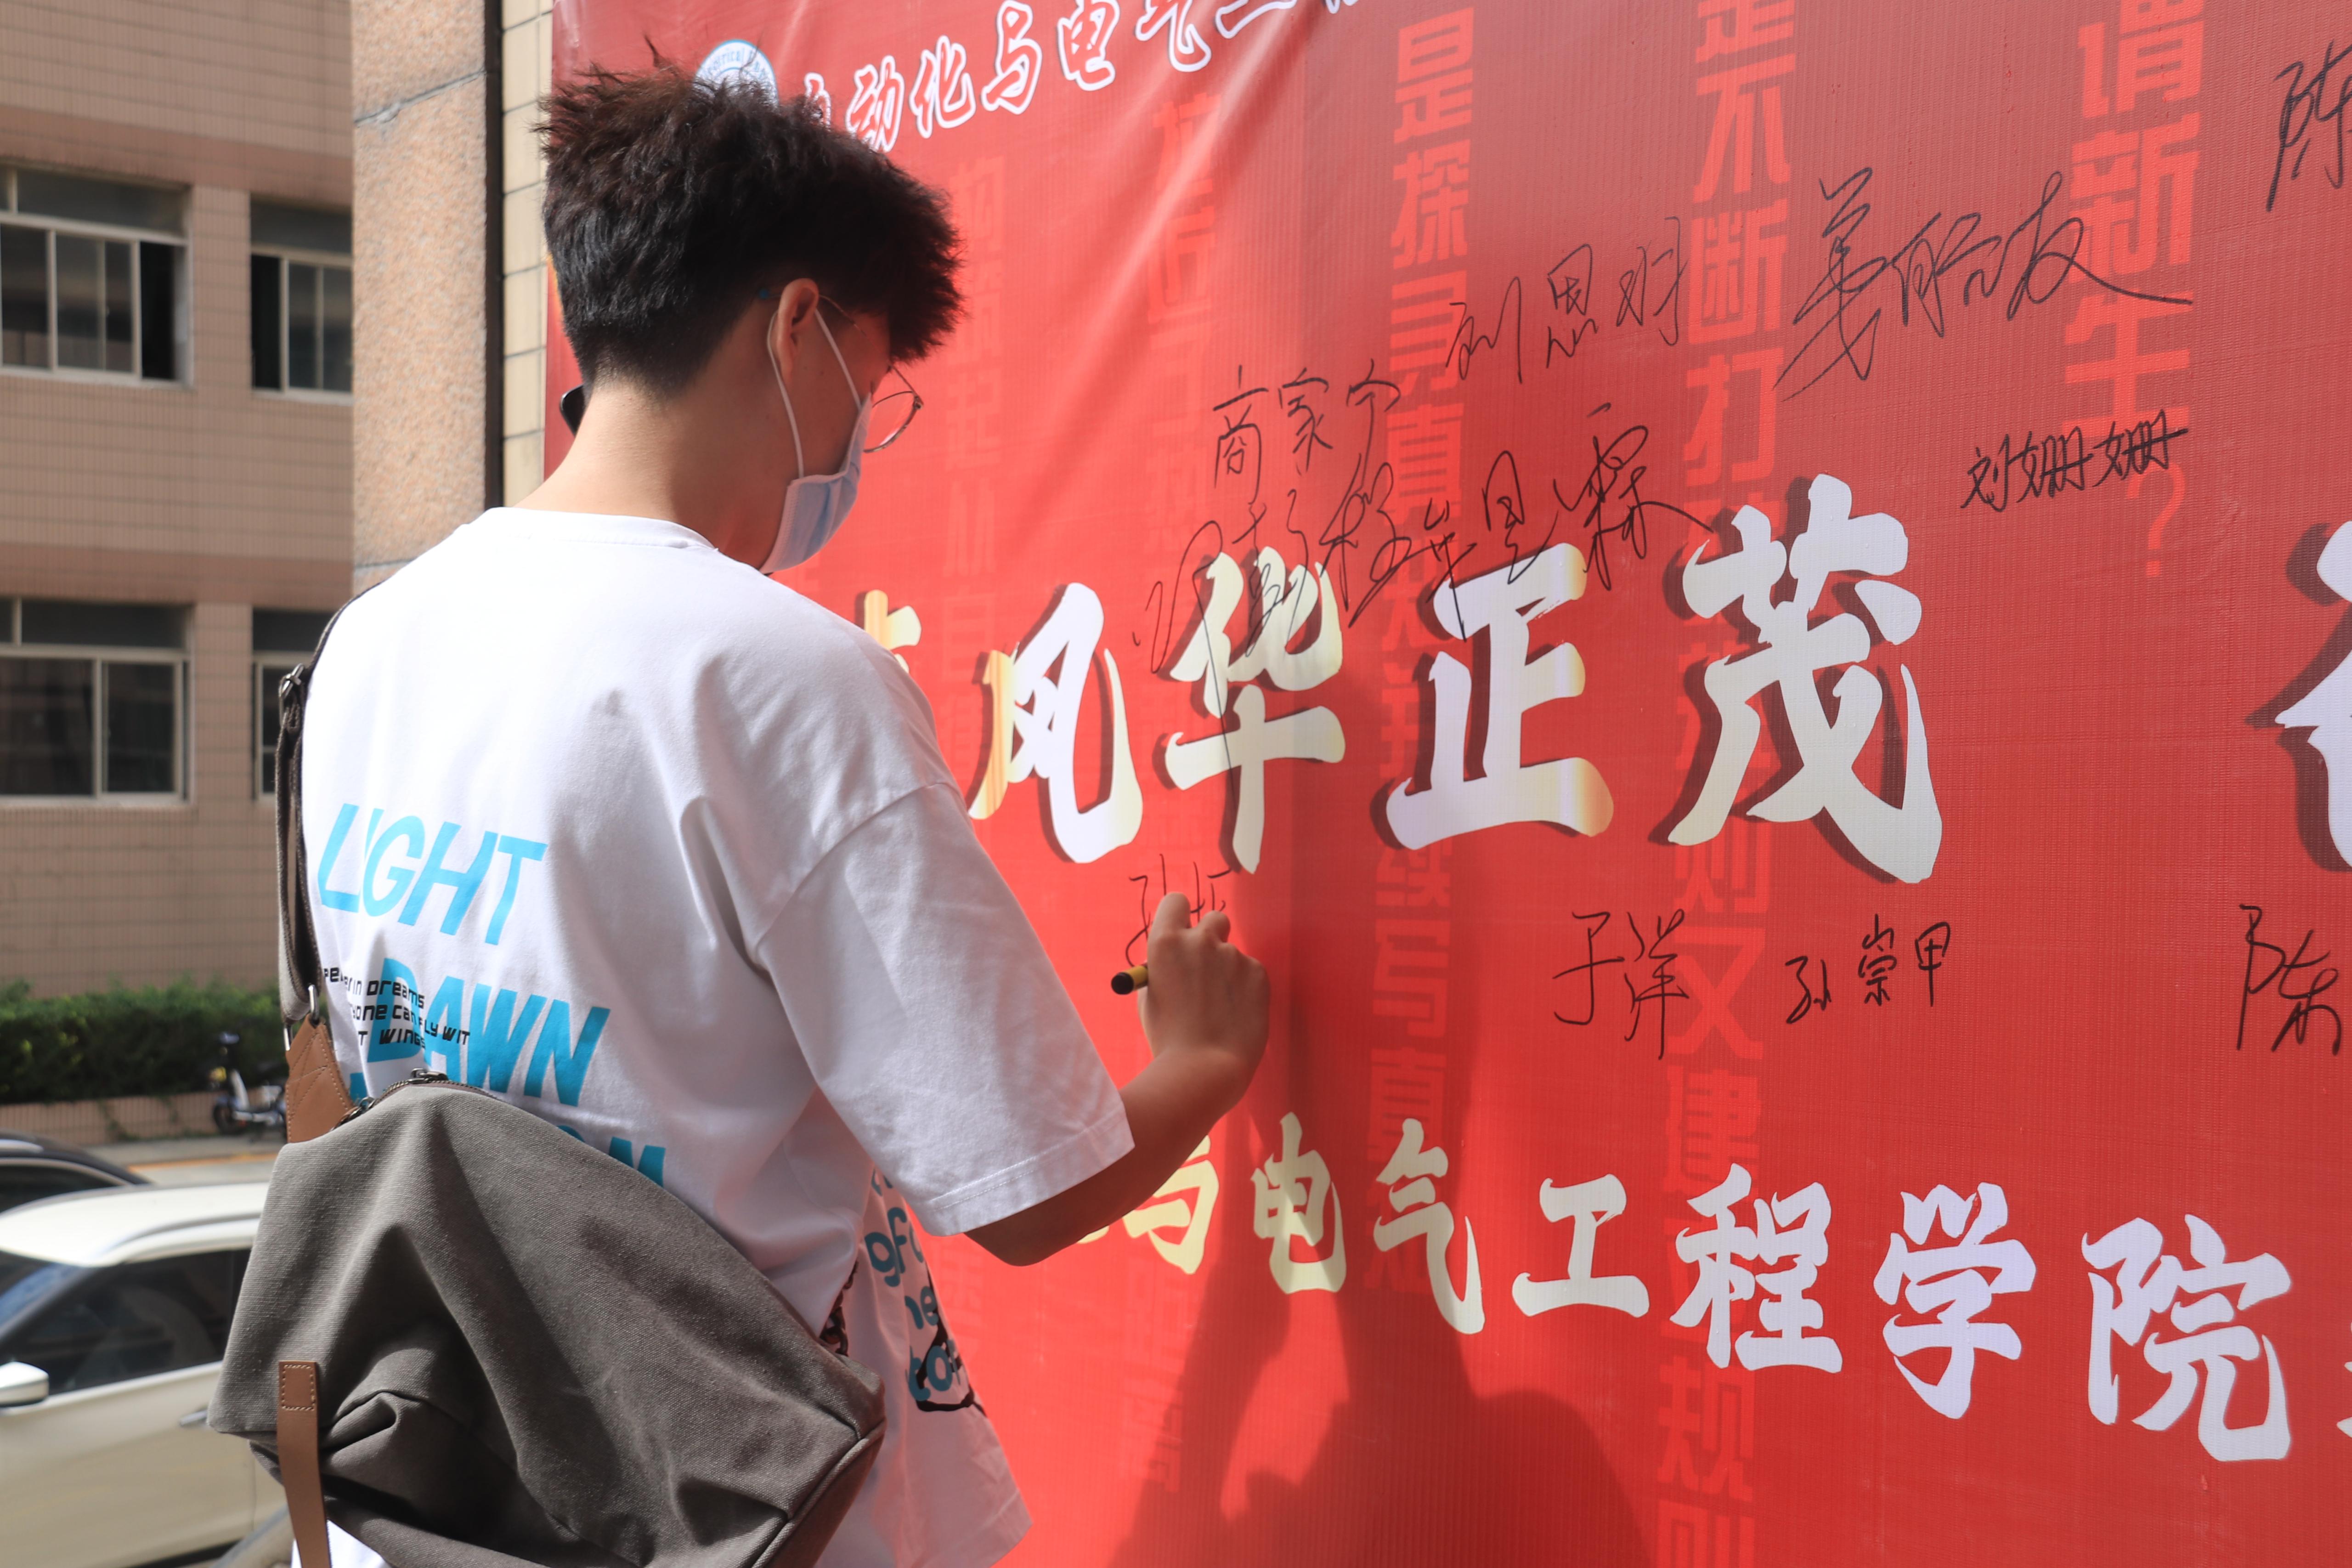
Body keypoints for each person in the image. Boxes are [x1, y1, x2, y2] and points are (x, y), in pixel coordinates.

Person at [297, 62, 1269, 1568]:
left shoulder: (371, 642)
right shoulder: (777, 675)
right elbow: (1028, 1192)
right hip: (728, 1508)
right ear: (798, 326)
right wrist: (1203, 1064)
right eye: (873, 387)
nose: (860, 438)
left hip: (440, 1478)